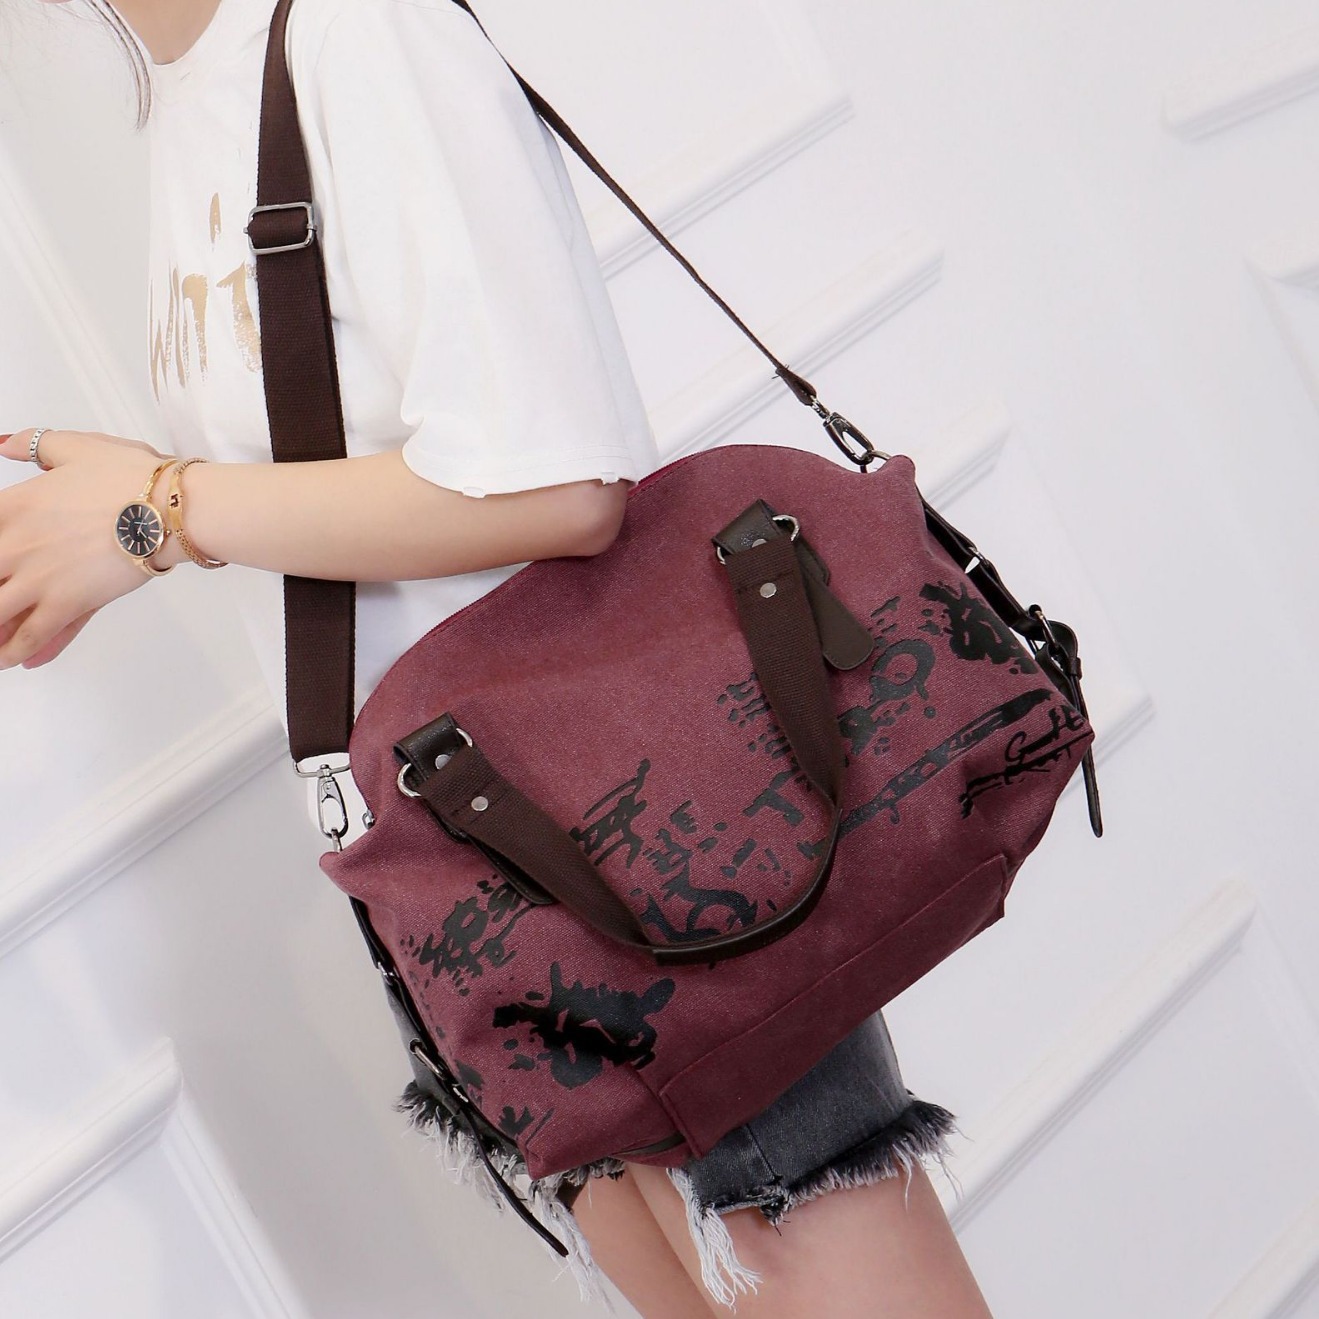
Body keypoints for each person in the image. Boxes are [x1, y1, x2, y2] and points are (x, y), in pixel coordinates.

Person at [0, 2, 996, 1314]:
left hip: (643, 863)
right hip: (465, 891)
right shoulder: (187, 95)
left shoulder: (364, 33)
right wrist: (149, 513)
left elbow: (556, 483)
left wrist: (157, 514)